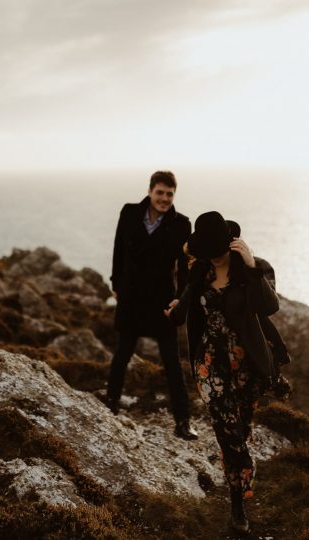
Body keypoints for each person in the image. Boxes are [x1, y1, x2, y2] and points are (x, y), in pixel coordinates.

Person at [165, 211, 290, 534]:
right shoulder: (200, 271)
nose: (215, 256)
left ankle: (238, 500)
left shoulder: (253, 270)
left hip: (246, 363)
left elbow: (269, 307)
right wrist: (174, 310)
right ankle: (240, 489)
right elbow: (185, 306)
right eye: (209, 250)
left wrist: (250, 267)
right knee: (227, 432)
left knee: (240, 428)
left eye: (220, 249)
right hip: (210, 362)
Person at [106, 170, 198, 440]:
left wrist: (179, 298)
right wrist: (115, 282)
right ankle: (110, 402)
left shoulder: (182, 224)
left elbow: (184, 267)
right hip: (131, 295)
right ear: (150, 191)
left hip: (162, 301)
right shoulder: (130, 212)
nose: (165, 199)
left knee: (171, 361)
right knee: (122, 352)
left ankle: (183, 421)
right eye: (160, 192)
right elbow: (118, 248)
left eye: (170, 194)